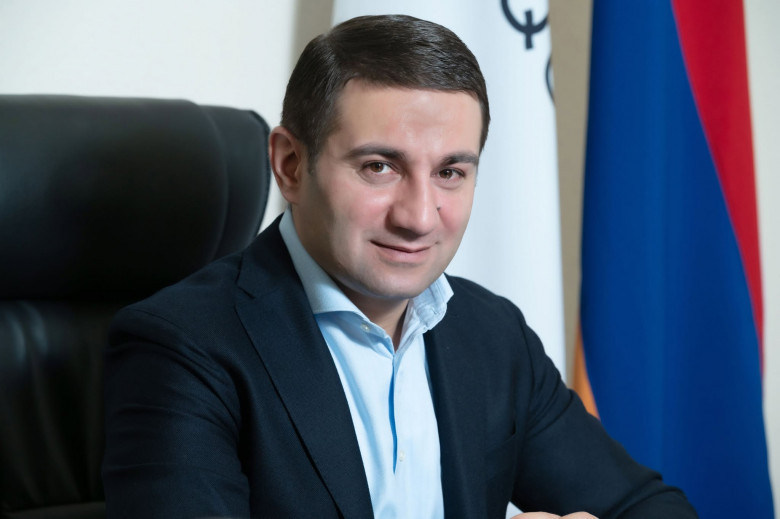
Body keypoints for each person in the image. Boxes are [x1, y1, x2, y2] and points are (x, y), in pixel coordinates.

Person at [102, 14, 698, 519]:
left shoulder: (493, 335)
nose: (418, 217)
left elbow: (649, 508)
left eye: (450, 172)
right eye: (379, 167)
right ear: (290, 165)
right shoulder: (181, 347)